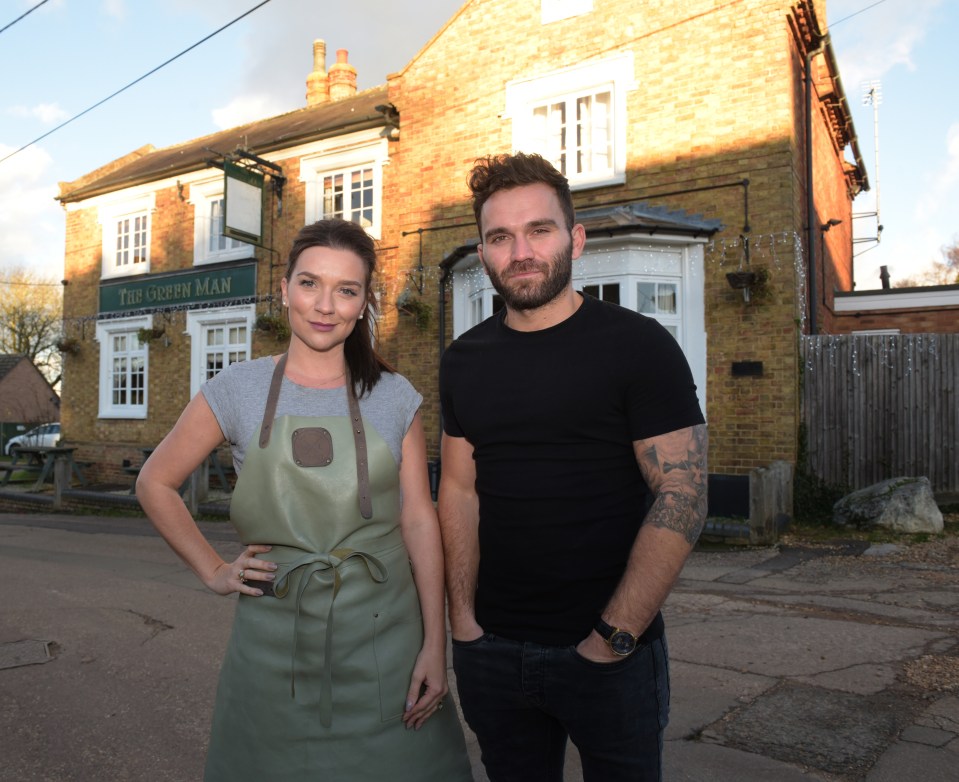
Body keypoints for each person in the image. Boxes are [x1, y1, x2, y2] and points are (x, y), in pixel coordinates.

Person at [137, 219, 472, 781]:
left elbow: (418, 519)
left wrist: (435, 646)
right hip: (271, 646)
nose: (326, 305)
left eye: (347, 290)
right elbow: (155, 482)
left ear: (365, 302)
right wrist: (215, 570)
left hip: (387, 642)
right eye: (310, 284)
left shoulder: (393, 396)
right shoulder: (236, 389)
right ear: (284, 288)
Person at [438, 153, 708, 782]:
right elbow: (458, 489)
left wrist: (614, 637)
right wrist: (463, 625)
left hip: (612, 652)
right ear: (483, 253)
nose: (520, 251)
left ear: (575, 239)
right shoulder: (463, 361)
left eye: (539, 230)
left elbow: (683, 492)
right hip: (494, 652)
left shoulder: (638, 346)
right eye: (500, 237)